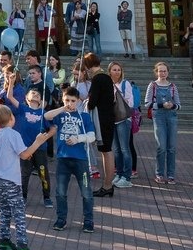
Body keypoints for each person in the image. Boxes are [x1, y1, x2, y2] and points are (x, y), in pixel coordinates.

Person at [0, 104, 55, 250]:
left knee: (5, 211)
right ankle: (22, 246)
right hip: (10, 180)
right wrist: (37, 142)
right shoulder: (13, 135)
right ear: (11, 118)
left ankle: (4, 240)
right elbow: (25, 154)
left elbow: (17, 152)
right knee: (18, 213)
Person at [44, 87, 96, 234]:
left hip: (81, 160)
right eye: (67, 100)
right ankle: (61, 219)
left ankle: (88, 220)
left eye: (73, 101)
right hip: (63, 159)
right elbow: (47, 116)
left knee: (86, 192)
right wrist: (62, 108)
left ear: (78, 101)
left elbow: (92, 136)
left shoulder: (84, 116)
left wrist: (78, 138)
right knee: (60, 192)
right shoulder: (60, 115)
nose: (70, 103)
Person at [83, 53, 116, 197]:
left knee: (106, 151)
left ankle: (108, 184)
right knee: (106, 151)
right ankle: (108, 184)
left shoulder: (97, 79)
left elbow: (92, 102)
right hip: (108, 117)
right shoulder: (106, 77)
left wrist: (86, 102)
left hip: (102, 119)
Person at [143, 62, 180, 184]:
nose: (162, 73)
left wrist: (172, 105)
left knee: (172, 147)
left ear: (168, 72)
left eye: (164, 71)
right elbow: (147, 104)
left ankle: (171, 175)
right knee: (161, 147)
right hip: (158, 116)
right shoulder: (152, 85)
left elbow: (178, 105)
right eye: (160, 71)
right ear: (156, 72)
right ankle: (159, 173)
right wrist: (161, 105)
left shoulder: (173, 86)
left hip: (171, 117)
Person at [109, 62, 135, 188]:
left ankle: (126, 177)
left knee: (125, 149)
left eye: (119, 69)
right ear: (109, 72)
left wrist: (118, 96)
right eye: (114, 69)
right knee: (117, 150)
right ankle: (119, 174)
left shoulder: (125, 84)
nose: (117, 72)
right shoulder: (108, 84)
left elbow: (130, 103)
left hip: (124, 119)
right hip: (112, 119)